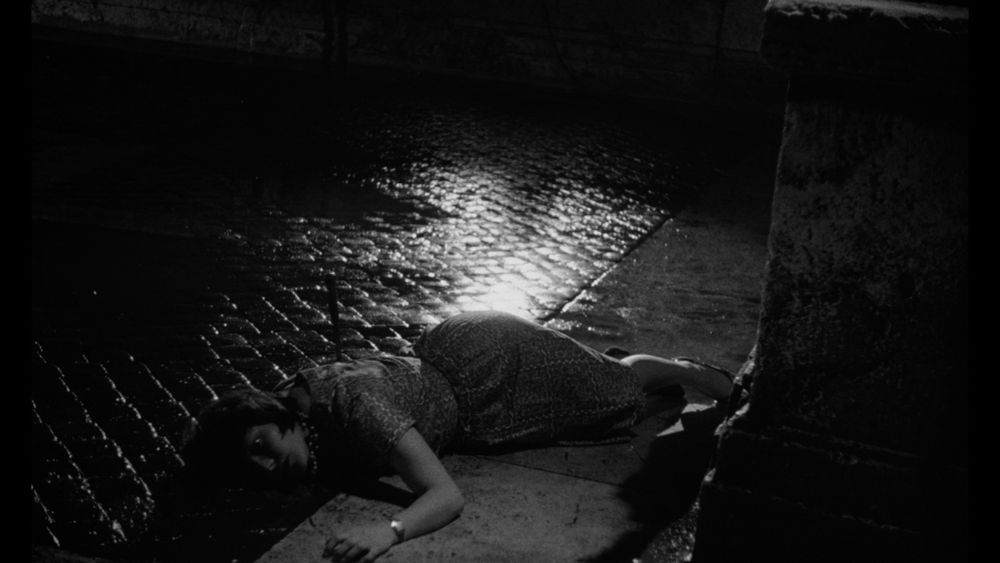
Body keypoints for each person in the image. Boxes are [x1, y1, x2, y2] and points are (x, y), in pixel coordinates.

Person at [181, 310, 733, 563]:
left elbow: (445, 496)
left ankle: (688, 371)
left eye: (260, 447)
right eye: (246, 465)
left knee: (620, 393)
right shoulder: (289, 407)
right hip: (457, 355)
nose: (264, 466)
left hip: (493, 373)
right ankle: (594, 364)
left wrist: (389, 530)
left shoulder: (355, 406)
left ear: (279, 420)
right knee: (598, 378)